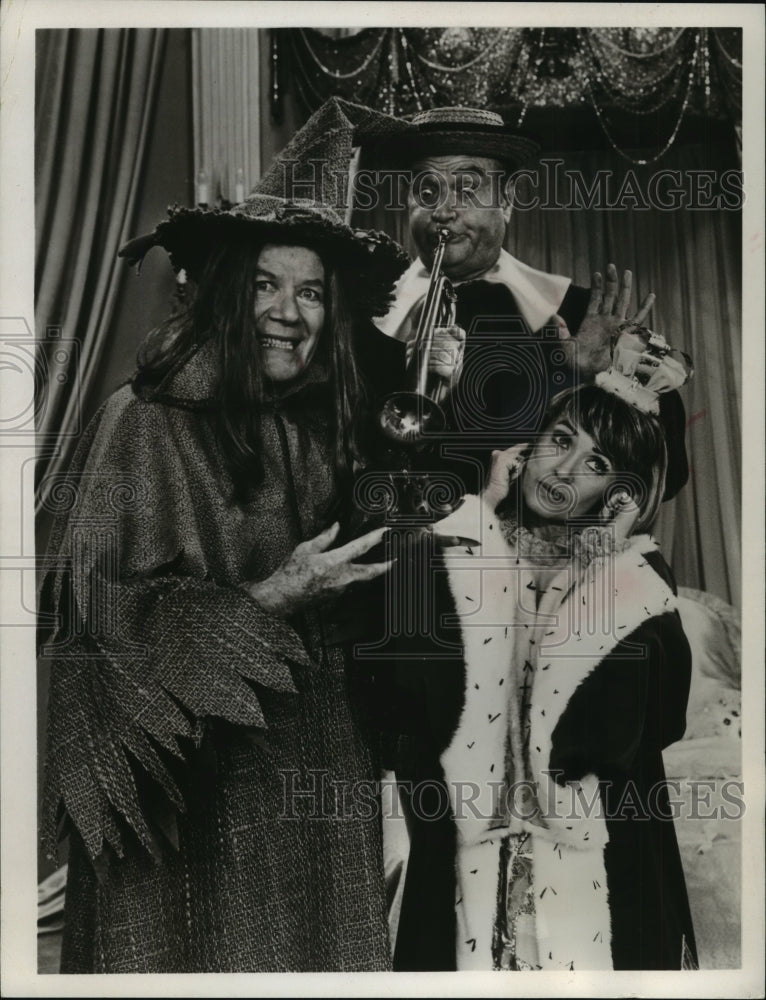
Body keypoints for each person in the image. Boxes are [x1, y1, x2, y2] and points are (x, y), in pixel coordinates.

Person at [39, 192, 411, 972]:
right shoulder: (143, 420)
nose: (287, 312)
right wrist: (273, 597)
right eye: (263, 286)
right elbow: (99, 629)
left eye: (309, 291)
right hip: (199, 811)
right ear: (221, 298)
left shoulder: (322, 428)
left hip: (314, 782)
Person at [388, 323, 697, 970]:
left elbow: (617, 738)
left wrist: (600, 565)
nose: (563, 470)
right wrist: (479, 520)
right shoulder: (468, 551)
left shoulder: (636, 583)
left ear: (622, 495)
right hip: (465, 870)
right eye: (560, 440)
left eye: (598, 465)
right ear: (528, 446)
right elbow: (408, 700)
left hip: (596, 876)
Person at [369, 105, 689, 501]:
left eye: (467, 189)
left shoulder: (579, 314)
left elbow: (667, 474)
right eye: (427, 190)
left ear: (506, 202)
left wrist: (603, 382)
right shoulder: (370, 318)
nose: (443, 211)